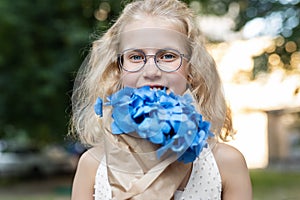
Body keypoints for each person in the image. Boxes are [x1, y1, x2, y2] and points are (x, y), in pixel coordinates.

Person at [70, 0, 252, 199]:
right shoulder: (93, 166)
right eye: (136, 57)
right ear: (117, 69)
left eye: (167, 56)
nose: (151, 71)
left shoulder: (225, 164)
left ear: (191, 69)